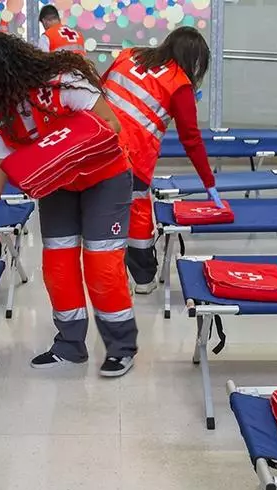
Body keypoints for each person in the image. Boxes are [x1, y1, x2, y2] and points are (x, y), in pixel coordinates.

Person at [0, 33, 138, 378]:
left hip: (105, 178)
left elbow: (112, 125)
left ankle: (121, 348)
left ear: (8, 72)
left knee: (102, 265)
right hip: (59, 185)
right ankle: (70, 345)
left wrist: (64, 150)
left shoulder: (64, 84)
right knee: (58, 265)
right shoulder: (2, 121)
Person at [101, 26, 221, 295]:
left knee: (101, 212)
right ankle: (143, 279)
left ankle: (110, 277)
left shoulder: (129, 55)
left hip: (96, 146)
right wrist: (209, 182)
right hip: (131, 159)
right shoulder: (180, 84)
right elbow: (191, 139)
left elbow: (99, 89)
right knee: (137, 215)